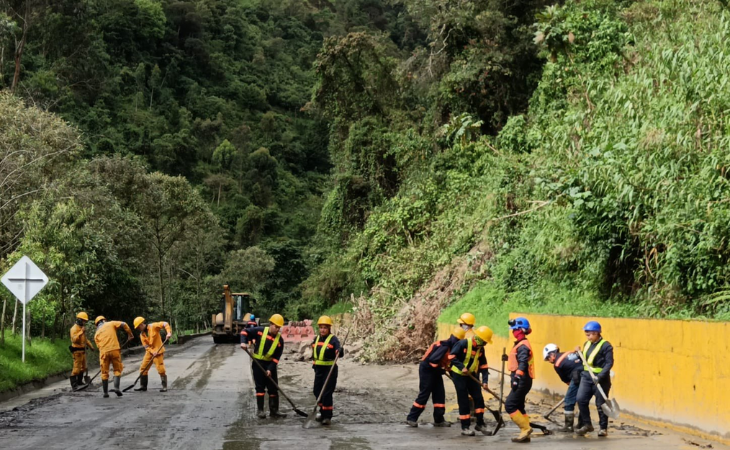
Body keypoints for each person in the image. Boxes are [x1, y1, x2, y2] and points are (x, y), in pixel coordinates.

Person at [406, 327, 466, 428]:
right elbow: (433, 362)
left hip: (436, 371)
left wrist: (455, 377)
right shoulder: (444, 346)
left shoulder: (451, 348)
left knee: (439, 394)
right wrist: (442, 370)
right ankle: (411, 418)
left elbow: (448, 364)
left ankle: (439, 420)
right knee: (424, 394)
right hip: (427, 370)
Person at [448, 325, 493, 436]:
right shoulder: (462, 344)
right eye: (485, 341)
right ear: (479, 339)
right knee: (463, 400)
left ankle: (480, 423)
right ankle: (465, 427)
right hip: (458, 375)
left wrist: (485, 381)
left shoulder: (481, 349)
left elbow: (483, 366)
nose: (486, 344)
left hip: (472, 375)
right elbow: (451, 357)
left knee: (478, 398)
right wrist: (461, 367)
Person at [241, 314, 286, 418]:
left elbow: (276, 358)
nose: (277, 329)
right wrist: (243, 343)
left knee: (273, 388)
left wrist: (270, 369)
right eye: (276, 327)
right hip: (258, 363)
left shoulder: (280, 340)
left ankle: (274, 411)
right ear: (271, 324)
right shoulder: (260, 331)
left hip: (270, 365)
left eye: (279, 327)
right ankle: (260, 411)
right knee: (260, 387)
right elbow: (244, 332)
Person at [575, 321, 614, 437]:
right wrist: (578, 353)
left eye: (590, 335)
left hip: (601, 379)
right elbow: (586, 359)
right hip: (586, 377)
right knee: (581, 399)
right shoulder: (587, 344)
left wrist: (600, 376)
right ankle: (587, 424)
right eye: (587, 335)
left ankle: (603, 428)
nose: (588, 337)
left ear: (597, 333)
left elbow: (609, 363)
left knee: (601, 404)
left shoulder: (606, 346)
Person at [505, 317, 535, 443]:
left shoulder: (523, 346)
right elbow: (517, 360)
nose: (513, 332)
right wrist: (507, 358)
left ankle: (525, 429)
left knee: (510, 405)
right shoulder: (520, 344)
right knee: (519, 406)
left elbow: (523, 363)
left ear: (521, 330)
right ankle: (525, 435)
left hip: (522, 379)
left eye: (515, 329)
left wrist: (517, 378)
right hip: (522, 379)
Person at [311, 316, 344, 425]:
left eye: (325, 327)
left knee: (326, 393)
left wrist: (340, 351)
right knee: (317, 391)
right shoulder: (316, 339)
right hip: (318, 370)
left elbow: (339, 353)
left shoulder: (333, 339)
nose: (323, 330)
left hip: (330, 370)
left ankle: (327, 416)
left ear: (329, 328)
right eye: (321, 327)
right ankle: (322, 411)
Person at [543, 343, 583, 432]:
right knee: (582, 400)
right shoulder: (570, 353)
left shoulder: (557, 365)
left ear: (552, 354)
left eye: (548, 358)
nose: (549, 361)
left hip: (576, 377)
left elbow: (565, 380)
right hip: (586, 374)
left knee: (569, 401)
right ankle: (582, 423)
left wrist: (571, 389)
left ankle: (568, 426)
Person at [93, 316, 133, 398]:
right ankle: (116, 388)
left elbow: (98, 346)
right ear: (104, 320)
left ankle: (105, 393)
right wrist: (130, 334)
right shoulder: (111, 323)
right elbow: (123, 324)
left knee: (104, 372)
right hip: (115, 350)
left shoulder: (96, 334)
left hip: (104, 352)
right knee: (117, 370)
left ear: (97, 325)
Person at [133, 317, 172, 392]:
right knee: (143, 368)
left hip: (158, 351)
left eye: (138, 327)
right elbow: (146, 346)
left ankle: (164, 387)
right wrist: (152, 351)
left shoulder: (153, 326)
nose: (138, 329)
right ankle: (143, 386)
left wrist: (169, 332)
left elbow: (165, 323)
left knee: (160, 369)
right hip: (150, 352)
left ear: (141, 324)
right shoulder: (142, 335)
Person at [69, 312, 95, 390]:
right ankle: (74, 385)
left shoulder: (81, 328)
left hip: (83, 351)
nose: (85, 323)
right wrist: (81, 332)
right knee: (76, 368)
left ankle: (79, 382)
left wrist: (91, 346)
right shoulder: (74, 329)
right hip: (77, 352)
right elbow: (74, 339)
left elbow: (85, 339)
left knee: (83, 368)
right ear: (79, 320)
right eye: (84, 321)